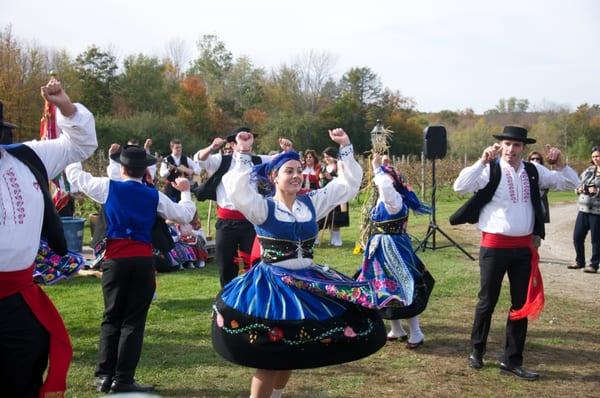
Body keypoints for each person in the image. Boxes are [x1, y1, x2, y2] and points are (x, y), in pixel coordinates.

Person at [212, 129, 390, 398]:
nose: (296, 176)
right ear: (274, 177)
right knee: (269, 359)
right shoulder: (262, 208)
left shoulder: (310, 204)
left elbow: (347, 186)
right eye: (289, 171)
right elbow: (237, 189)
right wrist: (244, 152)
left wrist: (345, 147)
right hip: (271, 287)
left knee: (290, 351)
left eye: (298, 170)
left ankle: (277, 396)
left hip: (306, 282)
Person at [451, 126, 579, 380]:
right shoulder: (490, 170)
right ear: (501, 146)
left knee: (520, 305)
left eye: (517, 145)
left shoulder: (533, 171)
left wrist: (562, 164)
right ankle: (477, 352)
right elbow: (459, 187)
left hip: (523, 248)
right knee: (487, 301)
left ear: (524, 148)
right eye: (507, 144)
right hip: (494, 248)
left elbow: (570, 184)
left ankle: (512, 360)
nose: (511, 149)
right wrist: (481, 160)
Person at [66, 145, 196, 393]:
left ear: (122, 168)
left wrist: (74, 154)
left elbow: (76, 178)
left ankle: (104, 376)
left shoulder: (108, 186)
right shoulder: (153, 195)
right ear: (144, 169)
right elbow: (183, 215)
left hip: (115, 261)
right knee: (133, 321)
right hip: (142, 261)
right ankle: (123, 378)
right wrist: (187, 192)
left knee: (111, 317)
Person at [0, 78, 97, 398]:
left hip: (17, 300)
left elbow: (80, 145)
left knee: (24, 374)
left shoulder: (26, 157)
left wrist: (65, 106)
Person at [193, 127, 292, 287]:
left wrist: (288, 150)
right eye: (241, 139)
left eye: (249, 139)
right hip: (226, 222)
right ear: (233, 144)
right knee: (225, 263)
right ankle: (227, 297)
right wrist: (212, 147)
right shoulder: (222, 161)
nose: (246, 144)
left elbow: (281, 160)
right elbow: (200, 159)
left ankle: (252, 295)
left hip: (251, 220)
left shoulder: (258, 160)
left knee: (253, 261)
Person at [355, 153, 435, 349]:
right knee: (384, 287)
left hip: (394, 249)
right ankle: (396, 328)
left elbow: (384, 187)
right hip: (380, 248)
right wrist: (384, 167)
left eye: (385, 178)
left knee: (402, 286)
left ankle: (416, 332)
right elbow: (384, 187)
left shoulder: (395, 201)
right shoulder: (387, 200)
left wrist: (377, 168)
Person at [570, 146, 600, 273]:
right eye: (594, 157)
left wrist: (597, 191)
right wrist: (579, 190)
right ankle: (580, 261)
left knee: (596, 240)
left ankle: (594, 264)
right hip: (583, 209)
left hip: (597, 212)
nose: (596, 159)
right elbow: (579, 184)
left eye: (598, 156)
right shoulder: (589, 170)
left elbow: (595, 190)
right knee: (577, 236)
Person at [319, 146, 350, 246]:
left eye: (328, 156)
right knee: (327, 218)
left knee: (336, 218)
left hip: (338, 196)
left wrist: (331, 178)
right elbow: (321, 183)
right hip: (326, 195)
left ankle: (336, 239)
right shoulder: (323, 167)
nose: (326, 159)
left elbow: (343, 180)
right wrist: (321, 179)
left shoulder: (339, 166)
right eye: (325, 157)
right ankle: (331, 239)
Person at [527, 151, 550, 248]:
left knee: (536, 238)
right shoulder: (523, 171)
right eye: (532, 159)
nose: (535, 161)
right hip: (525, 209)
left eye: (537, 159)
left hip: (538, 209)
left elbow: (543, 191)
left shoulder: (545, 173)